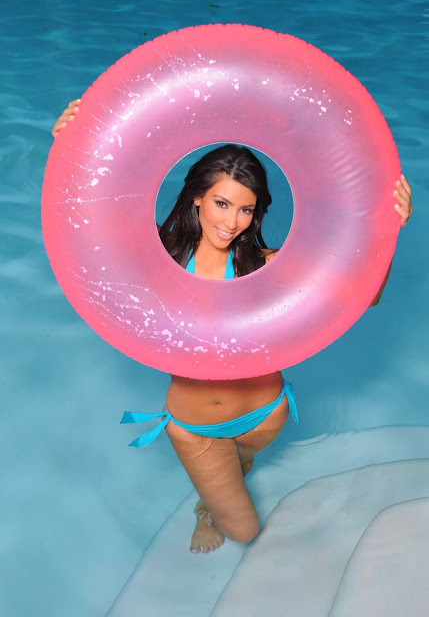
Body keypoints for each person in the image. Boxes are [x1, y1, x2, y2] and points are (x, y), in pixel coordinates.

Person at [52, 100, 413, 554]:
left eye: (245, 210)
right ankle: (210, 503)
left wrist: (389, 230)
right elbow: (86, 222)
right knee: (243, 530)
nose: (231, 222)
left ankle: (222, 485)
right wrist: (70, 146)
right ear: (197, 197)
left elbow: (362, 295)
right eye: (222, 203)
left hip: (266, 415)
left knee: (238, 468)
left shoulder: (265, 265)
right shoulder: (155, 257)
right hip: (197, 426)